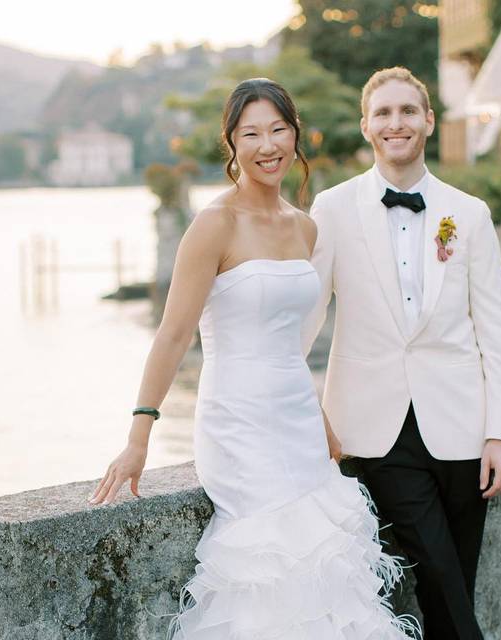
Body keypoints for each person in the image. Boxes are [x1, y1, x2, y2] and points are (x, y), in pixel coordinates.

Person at [88, 78, 421, 639]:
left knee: (322, 565)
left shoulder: (304, 227)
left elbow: (288, 337)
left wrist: (317, 414)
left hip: (296, 418)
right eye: (251, 134)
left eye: (278, 130)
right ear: (232, 144)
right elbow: (172, 335)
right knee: (269, 563)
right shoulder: (213, 225)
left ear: (295, 136)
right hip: (236, 421)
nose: (267, 145)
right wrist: (139, 435)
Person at [300, 67, 501, 640]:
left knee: (455, 582)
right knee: (439, 575)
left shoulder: (468, 213)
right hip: (376, 430)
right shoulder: (333, 207)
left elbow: (495, 331)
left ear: (427, 120)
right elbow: (305, 318)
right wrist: (294, 403)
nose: (395, 123)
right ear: (366, 127)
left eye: (406, 111)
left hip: (463, 429)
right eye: (383, 114)